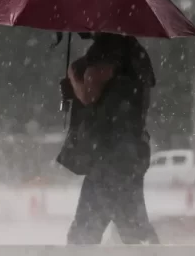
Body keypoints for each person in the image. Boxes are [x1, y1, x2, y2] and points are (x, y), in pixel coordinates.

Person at [57, 32, 160, 244]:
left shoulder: (108, 48)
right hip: (129, 154)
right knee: (133, 230)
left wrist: (73, 79)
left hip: (108, 157)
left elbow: (89, 93)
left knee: (85, 235)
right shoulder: (134, 52)